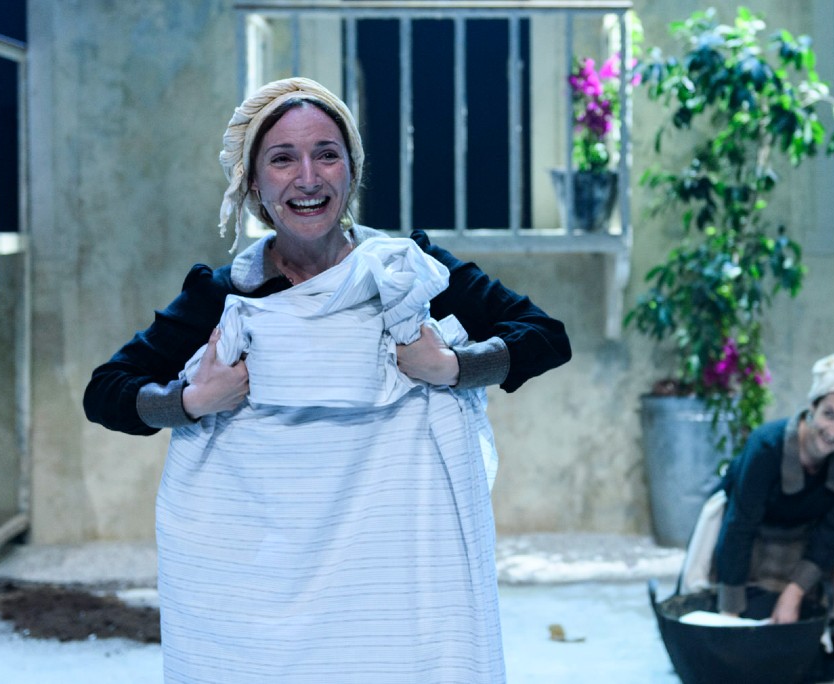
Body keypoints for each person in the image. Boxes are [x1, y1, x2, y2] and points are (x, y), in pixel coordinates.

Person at [83, 77, 570, 683]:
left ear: (352, 170)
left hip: (390, 576)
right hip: (262, 578)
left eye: (327, 154)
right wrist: (191, 399)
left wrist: (451, 367)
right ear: (253, 182)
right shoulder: (225, 294)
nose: (308, 178)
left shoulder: (407, 271)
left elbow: (545, 336)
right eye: (283, 159)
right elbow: (106, 391)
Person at [709, 353, 834, 653]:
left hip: (800, 535)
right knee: (737, 628)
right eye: (828, 414)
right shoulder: (766, 446)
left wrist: (794, 593)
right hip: (746, 534)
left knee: (796, 635)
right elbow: (739, 525)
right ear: (811, 408)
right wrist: (729, 614)